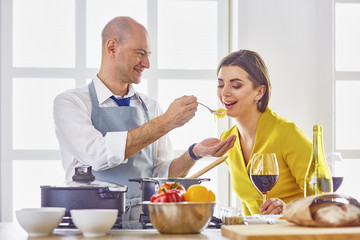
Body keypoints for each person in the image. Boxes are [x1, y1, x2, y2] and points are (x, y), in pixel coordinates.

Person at [53, 16, 236, 227]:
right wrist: (166, 122)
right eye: (140, 53)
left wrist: (195, 153)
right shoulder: (71, 103)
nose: (147, 64)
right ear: (112, 47)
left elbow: (161, 177)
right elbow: (98, 155)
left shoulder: (150, 107)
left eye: (148, 55)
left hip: (143, 225)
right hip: (90, 225)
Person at [217, 49, 312, 215]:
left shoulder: (287, 133)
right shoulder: (227, 141)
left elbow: (324, 197)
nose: (224, 92)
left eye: (236, 85)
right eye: (220, 84)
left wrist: (288, 209)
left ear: (259, 92)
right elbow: (249, 206)